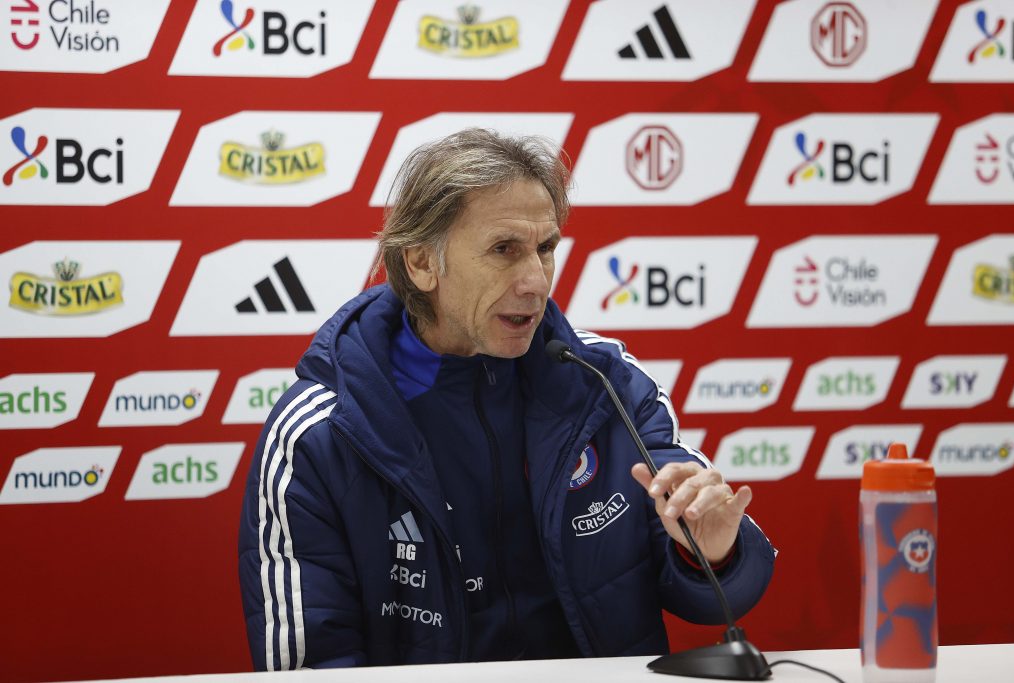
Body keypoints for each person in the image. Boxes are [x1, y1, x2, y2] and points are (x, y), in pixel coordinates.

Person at [238, 128, 775, 670]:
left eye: (545, 249)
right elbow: (308, 667)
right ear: (423, 263)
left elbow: (710, 590)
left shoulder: (607, 384)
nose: (536, 281)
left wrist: (712, 552)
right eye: (504, 250)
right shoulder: (321, 433)